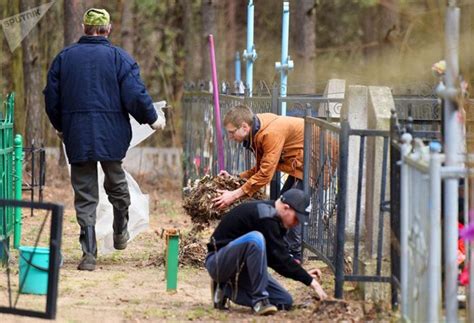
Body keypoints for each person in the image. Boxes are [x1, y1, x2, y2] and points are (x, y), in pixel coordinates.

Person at [43, 8, 165, 271]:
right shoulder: (119, 58)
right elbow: (134, 93)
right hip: (112, 134)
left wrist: (61, 127)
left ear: (84, 28)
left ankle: (89, 254)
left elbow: (51, 99)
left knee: (85, 193)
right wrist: (151, 117)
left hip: (77, 134)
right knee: (116, 181)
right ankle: (120, 229)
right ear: (107, 29)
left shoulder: (64, 58)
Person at [206, 188, 327, 316]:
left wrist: (303, 273)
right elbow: (280, 257)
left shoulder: (275, 219)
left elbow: (278, 258)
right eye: (296, 219)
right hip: (218, 263)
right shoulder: (265, 216)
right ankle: (260, 301)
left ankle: (226, 289)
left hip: (241, 269)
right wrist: (311, 282)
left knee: (284, 301)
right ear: (286, 208)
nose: (296, 224)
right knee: (255, 239)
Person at [213, 104, 305, 261]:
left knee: (293, 207)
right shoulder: (257, 131)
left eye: (231, 132)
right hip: (299, 162)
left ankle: (294, 255)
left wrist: (234, 195)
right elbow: (259, 169)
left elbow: (265, 175)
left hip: (316, 157)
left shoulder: (270, 133)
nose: (230, 137)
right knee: (284, 201)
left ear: (244, 127)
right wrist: (235, 178)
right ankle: (284, 249)